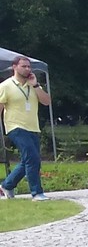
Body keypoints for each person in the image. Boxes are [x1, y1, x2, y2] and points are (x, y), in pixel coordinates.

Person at [2, 55, 52, 201]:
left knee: (30, 160)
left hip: (33, 127)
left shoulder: (33, 85)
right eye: (24, 66)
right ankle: (37, 192)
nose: (27, 69)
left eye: (29, 66)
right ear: (14, 67)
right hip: (15, 127)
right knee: (32, 157)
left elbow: (46, 102)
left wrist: (36, 85)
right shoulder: (6, 86)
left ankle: (7, 185)